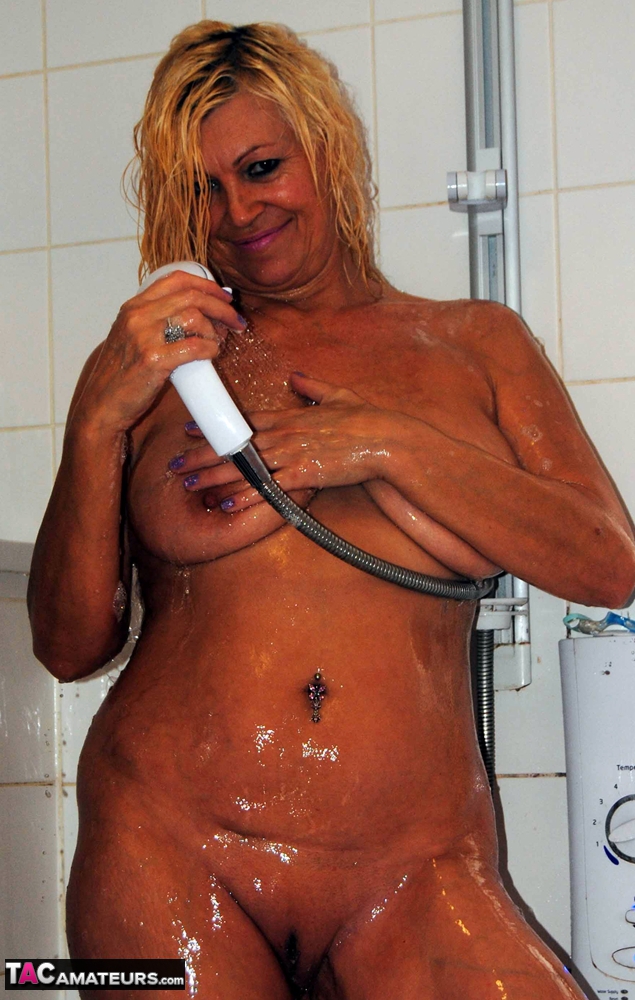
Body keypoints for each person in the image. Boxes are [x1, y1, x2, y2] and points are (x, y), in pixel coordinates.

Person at [27, 20, 635, 1000]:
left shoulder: (475, 342)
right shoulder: (164, 364)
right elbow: (67, 646)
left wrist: (386, 444)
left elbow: (606, 563)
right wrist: (96, 419)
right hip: (166, 844)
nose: (238, 211)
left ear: (327, 150)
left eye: (261, 167)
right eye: (203, 189)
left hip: (416, 867)